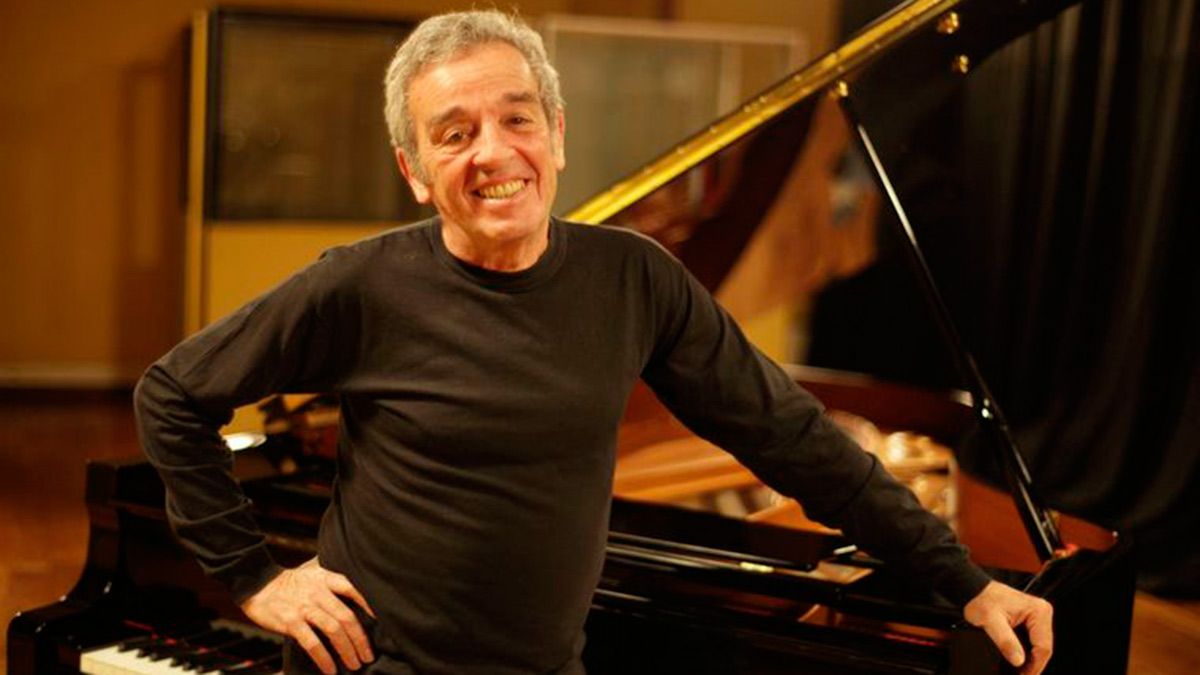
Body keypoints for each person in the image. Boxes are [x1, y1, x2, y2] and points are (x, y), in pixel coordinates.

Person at [135, 10, 1053, 675]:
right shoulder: (360, 284)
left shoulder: (634, 279)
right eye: (454, 134)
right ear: (415, 172)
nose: (493, 152)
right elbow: (171, 394)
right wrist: (254, 576)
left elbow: (792, 437)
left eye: (517, 118)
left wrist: (965, 580)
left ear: (557, 135)